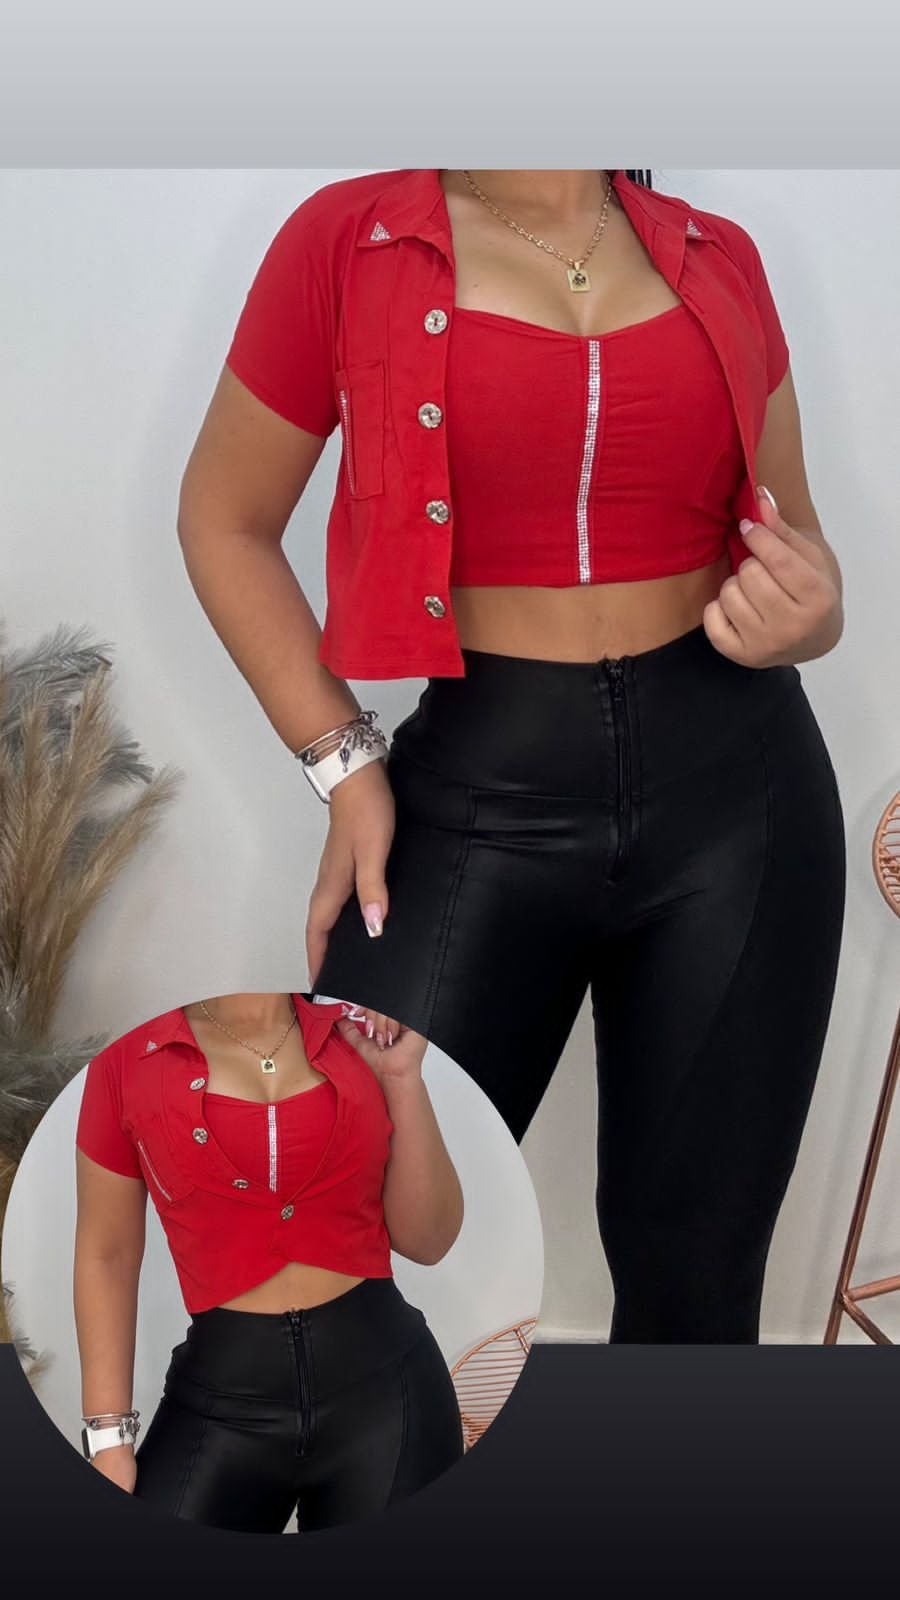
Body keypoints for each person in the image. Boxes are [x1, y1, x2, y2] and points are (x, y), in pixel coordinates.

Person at [176, 169, 846, 1342]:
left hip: (744, 800)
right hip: (476, 793)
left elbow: (801, 549)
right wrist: (345, 764)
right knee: (335, 1243)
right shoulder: (347, 240)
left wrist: (816, 613)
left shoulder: (721, 255)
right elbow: (222, 519)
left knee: (696, 1275)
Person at [73, 992, 464, 1531]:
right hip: (220, 1405)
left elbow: (429, 1241)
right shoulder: (126, 1057)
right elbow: (107, 1254)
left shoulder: (355, 1034)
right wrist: (108, 1439)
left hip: (391, 1398)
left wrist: (401, 1079)